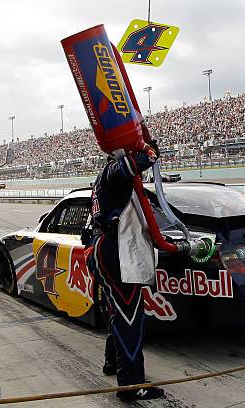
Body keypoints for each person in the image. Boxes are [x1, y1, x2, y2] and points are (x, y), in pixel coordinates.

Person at [84, 139, 164, 401]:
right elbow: (133, 165)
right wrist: (149, 151)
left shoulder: (102, 177)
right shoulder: (113, 171)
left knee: (117, 311)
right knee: (130, 317)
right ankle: (131, 386)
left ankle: (112, 362)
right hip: (114, 252)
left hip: (103, 248)